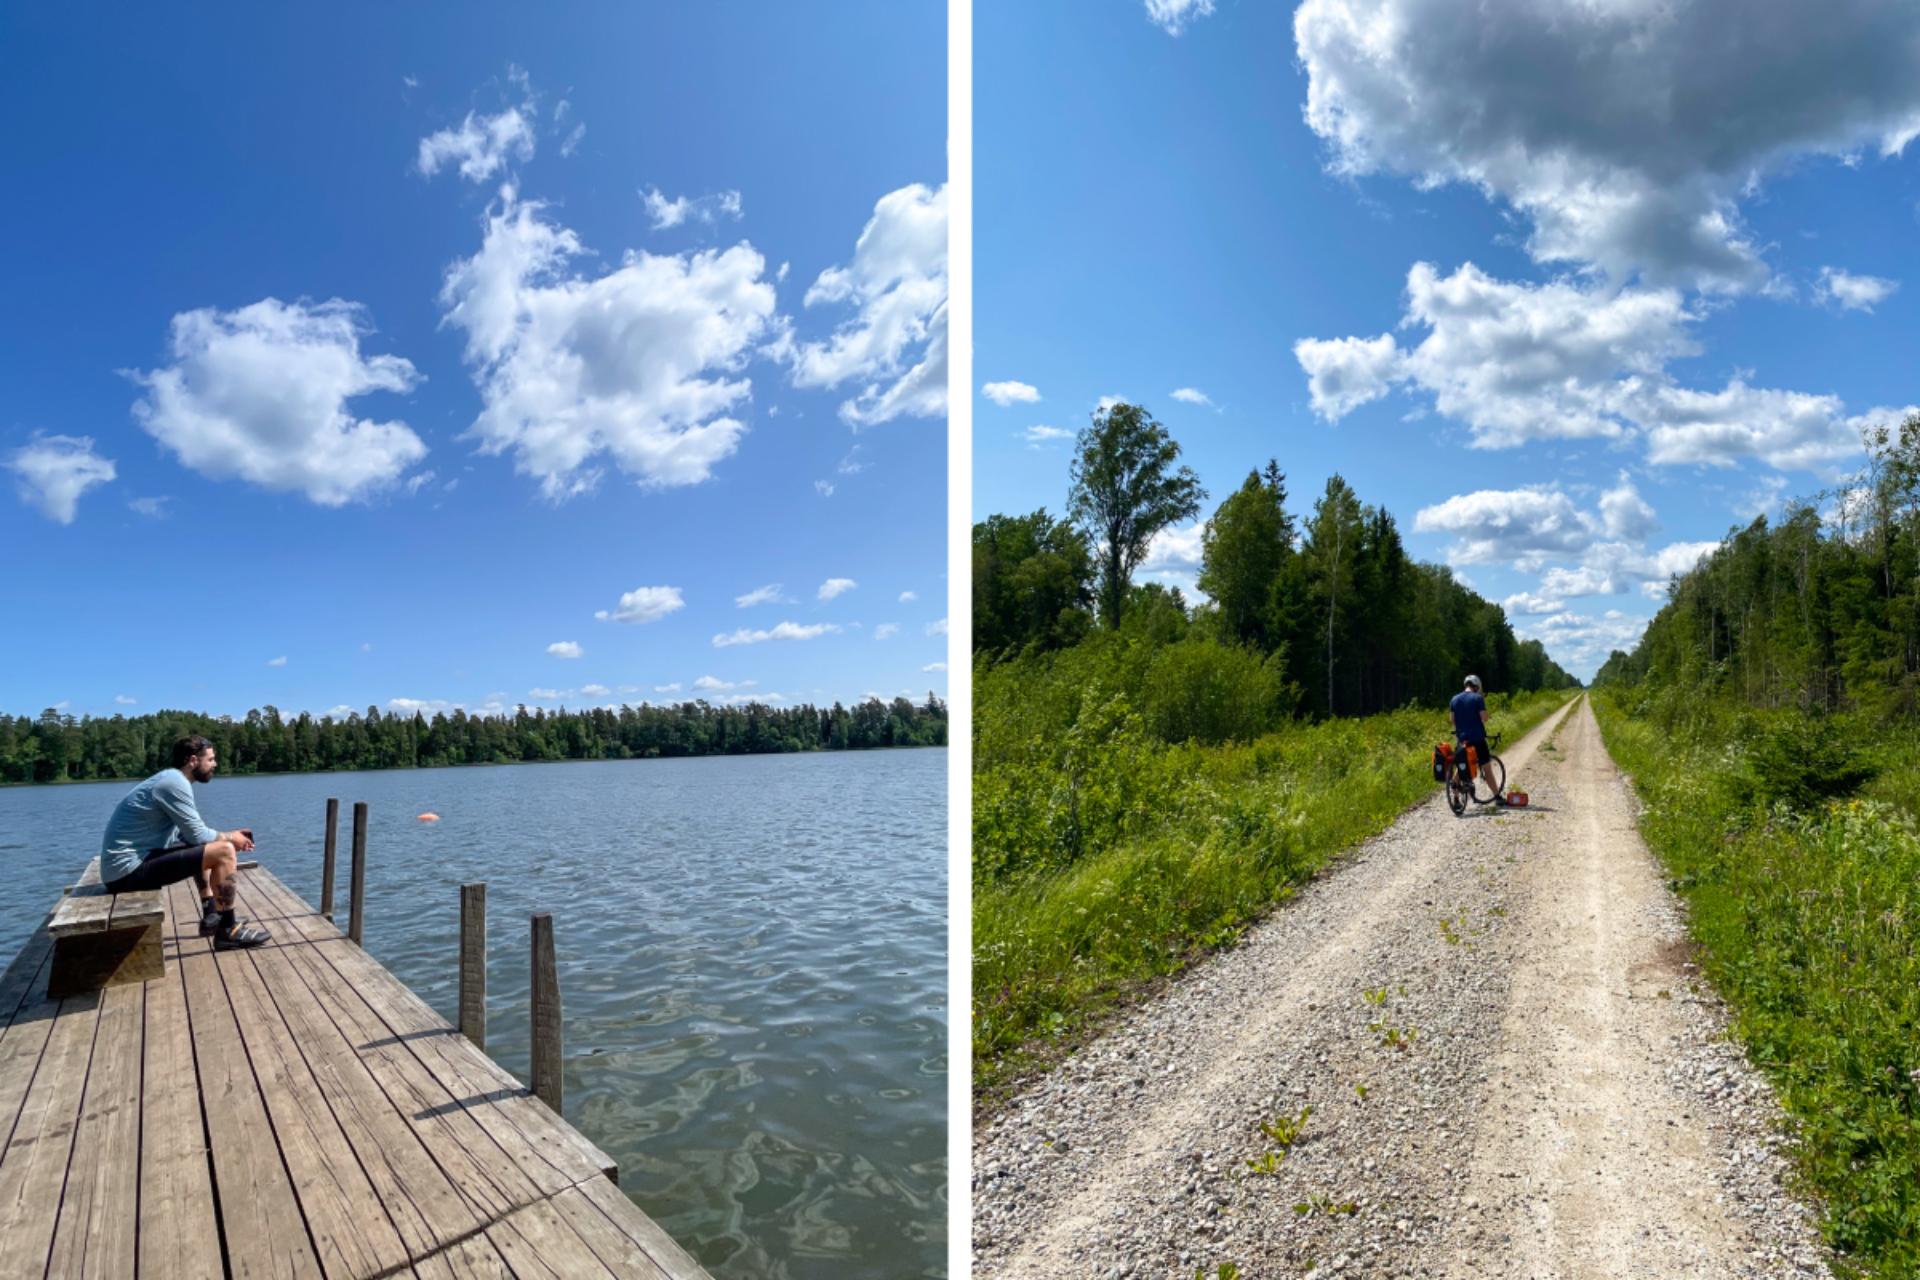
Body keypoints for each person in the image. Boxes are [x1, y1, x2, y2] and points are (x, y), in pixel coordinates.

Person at [100, 735, 270, 949]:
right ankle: (228, 930)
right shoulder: (173, 783)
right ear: (192, 760)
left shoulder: (171, 779)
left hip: (123, 869)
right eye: (210, 759)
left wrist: (229, 835)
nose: (215, 764)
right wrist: (230, 838)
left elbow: (188, 837)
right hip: (126, 873)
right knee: (224, 851)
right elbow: (199, 835)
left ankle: (211, 914)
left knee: (206, 848)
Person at [1448, 674, 1502, 805]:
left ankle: (1455, 797)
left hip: (1462, 740)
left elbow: (1452, 720)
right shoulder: (1478, 698)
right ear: (1476, 686)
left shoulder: (1454, 699)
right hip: (1477, 739)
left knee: (1461, 766)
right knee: (1487, 768)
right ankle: (1497, 797)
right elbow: (1484, 718)